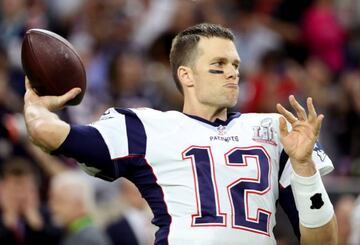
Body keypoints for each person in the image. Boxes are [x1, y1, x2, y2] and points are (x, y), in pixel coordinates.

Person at [23, 23, 338, 244]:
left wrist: (305, 168)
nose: (232, 72)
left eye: (235, 64)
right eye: (218, 64)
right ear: (186, 75)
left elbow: (323, 242)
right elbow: (51, 134)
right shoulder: (145, 127)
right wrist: (36, 105)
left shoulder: (275, 129)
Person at [0, 157, 62, 244]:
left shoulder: (51, 214)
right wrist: (7, 225)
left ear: (36, 191)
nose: (20, 196)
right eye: (13, 191)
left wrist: (38, 226)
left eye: (25, 190)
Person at [48, 170, 111, 245]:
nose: (53, 207)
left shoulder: (89, 238)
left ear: (79, 205)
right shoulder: (73, 232)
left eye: (60, 201)